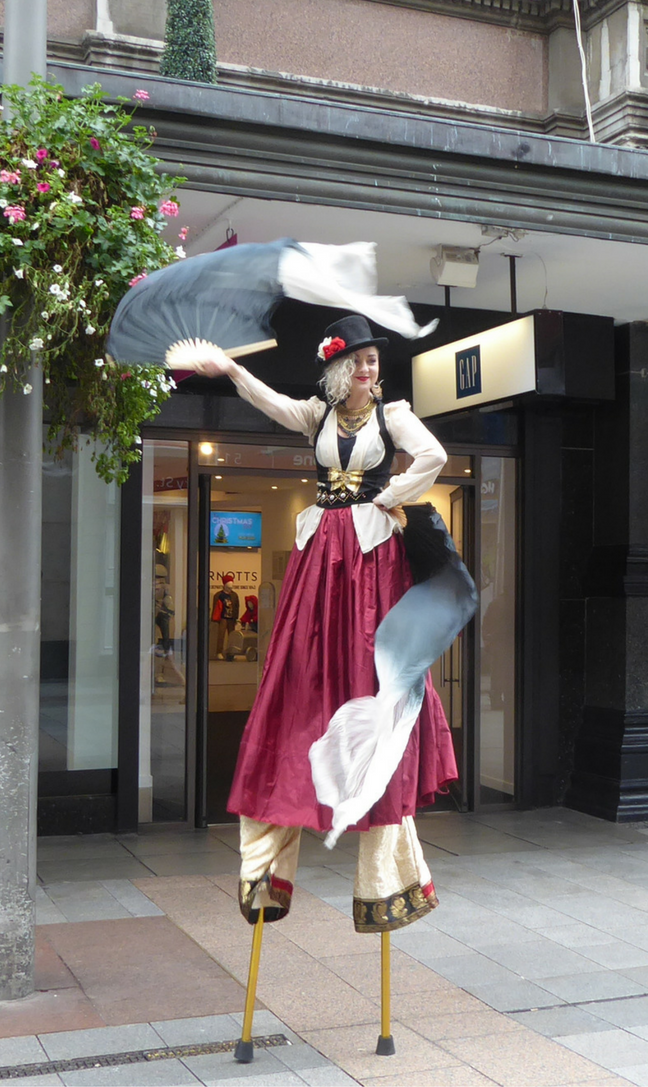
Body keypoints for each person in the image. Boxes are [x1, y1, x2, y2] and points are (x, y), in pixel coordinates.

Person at [193, 315, 458, 933]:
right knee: (306, 653)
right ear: (339, 368)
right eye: (357, 361)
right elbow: (272, 403)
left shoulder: (392, 416)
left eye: (373, 360)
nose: (367, 369)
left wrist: (389, 497)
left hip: (369, 552)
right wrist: (231, 370)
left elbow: (435, 455)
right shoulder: (318, 415)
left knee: (371, 653)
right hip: (322, 551)